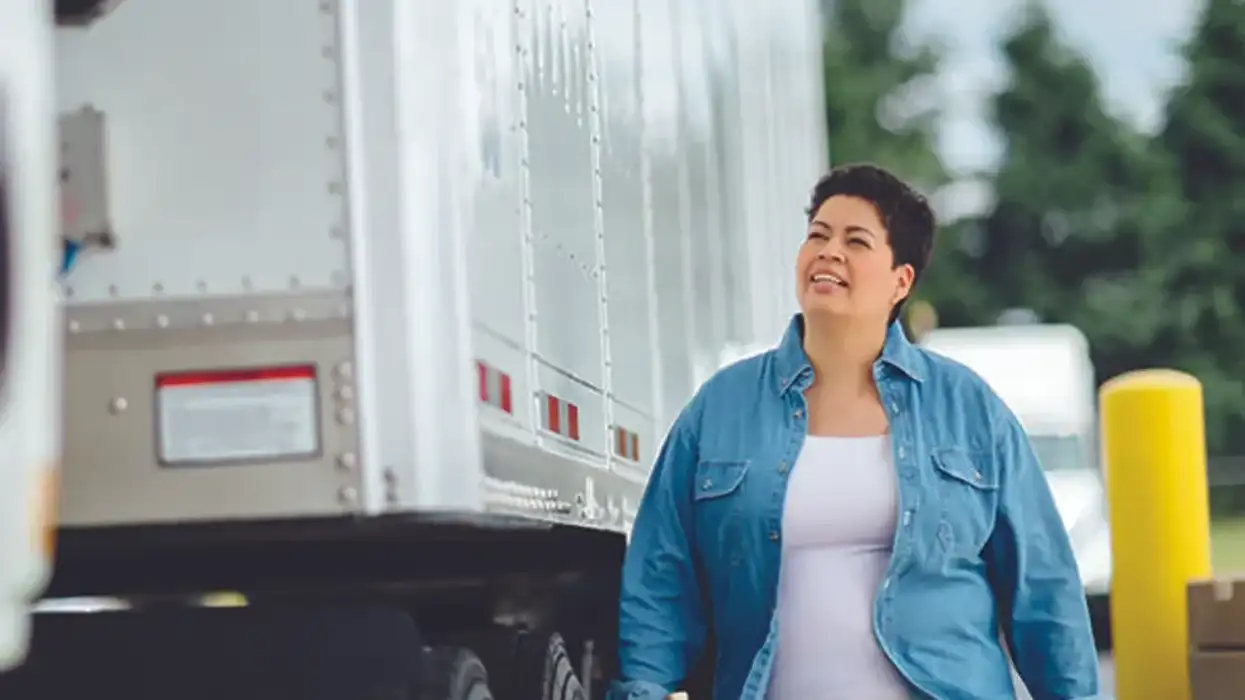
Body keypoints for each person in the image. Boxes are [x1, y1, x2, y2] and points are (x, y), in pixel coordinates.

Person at [606, 164, 1101, 700]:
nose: (829, 251)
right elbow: (661, 575)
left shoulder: (969, 409)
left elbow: (1043, 591)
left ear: (900, 281)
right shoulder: (720, 407)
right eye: (817, 235)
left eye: (856, 241)